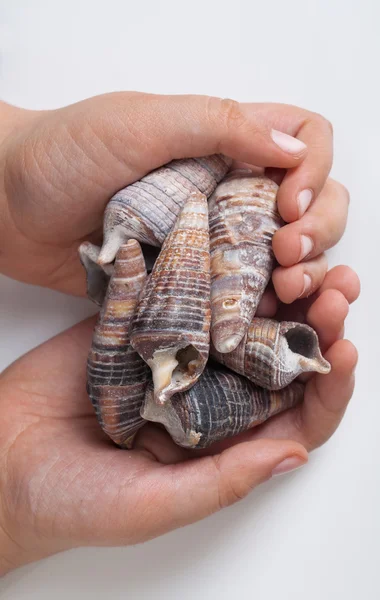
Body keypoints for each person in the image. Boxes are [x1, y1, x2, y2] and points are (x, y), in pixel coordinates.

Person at [0, 93, 359, 574]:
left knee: (235, 321)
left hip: (182, 298)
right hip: (176, 293)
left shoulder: (157, 335)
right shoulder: (159, 320)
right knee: (234, 321)